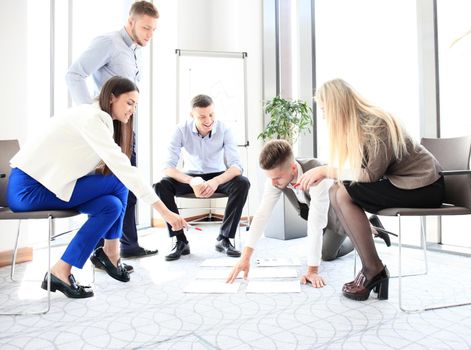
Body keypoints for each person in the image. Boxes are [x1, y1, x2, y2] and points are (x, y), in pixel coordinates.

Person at [7, 77, 187, 299]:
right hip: (28, 189)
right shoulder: (93, 118)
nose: (133, 110)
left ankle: (61, 270)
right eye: (129, 102)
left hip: (44, 187)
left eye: (136, 105)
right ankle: (111, 253)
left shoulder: (94, 116)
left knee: (110, 206)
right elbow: (124, 169)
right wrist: (166, 213)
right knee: (120, 179)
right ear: (112, 98)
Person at [298, 78, 444, 301]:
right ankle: (371, 268)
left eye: (326, 109)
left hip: (424, 186)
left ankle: (373, 269)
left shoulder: (376, 125)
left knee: (343, 192)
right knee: (337, 191)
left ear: (338, 105)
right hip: (406, 183)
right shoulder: (360, 126)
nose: (325, 115)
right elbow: (362, 172)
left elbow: (370, 175)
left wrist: (328, 170)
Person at [66, 1, 159, 259]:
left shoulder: (135, 50)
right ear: (130, 22)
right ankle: (103, 249)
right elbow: (74, 74)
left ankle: (127, 244)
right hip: (109, 128)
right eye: (145, 28)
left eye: (153, 30)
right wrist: (90, 114)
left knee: (127, 184)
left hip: (127, 126)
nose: (150, 34)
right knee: (116, 184)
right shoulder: (108, 43)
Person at [226, 140, 386, 287]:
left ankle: (368, 229)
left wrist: (312, 271)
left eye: (277, 178)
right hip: (310, 210)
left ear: (293, 168)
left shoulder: (317, 174)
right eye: (270, 178)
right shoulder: (275, 178)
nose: (273, 183)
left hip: (335, 212)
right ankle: (366, 227)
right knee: (318, 244)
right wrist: (245, 257)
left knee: (327, 254)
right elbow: (262, 215)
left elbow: (316, 222)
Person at [154, 94, 250, 261]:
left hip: (217, 176)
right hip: (190, 176)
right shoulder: (180, 130)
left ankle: (224, 239)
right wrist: (191, 181)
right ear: (192, 116)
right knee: (161, 185)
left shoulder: (225, 129)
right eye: (202, 117)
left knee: (242, 183)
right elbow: (167, 167)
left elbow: (236, 167)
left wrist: (215, 181)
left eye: (211, 114)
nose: (208, 120)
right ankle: (180, 240)